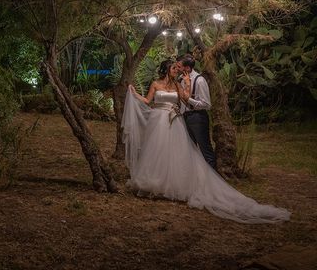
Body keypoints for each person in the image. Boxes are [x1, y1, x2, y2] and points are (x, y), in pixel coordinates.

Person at [123, 59, 290, 224]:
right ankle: (154, 183)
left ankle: (172, 185)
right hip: (158, 121)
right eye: (174, 68)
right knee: (157, 152)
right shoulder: (155, 83)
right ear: (166, 69)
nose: (177, 70)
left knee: (176, 153)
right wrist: (133, 92)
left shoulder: (177, 85)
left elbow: (186, 100)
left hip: (174, 122)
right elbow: (147, 100)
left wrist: (187, 85)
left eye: (177, 68)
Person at [175, 54, 217, 169]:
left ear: (187, 68)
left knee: (205, 149)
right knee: (190, 149)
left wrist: (189, 100)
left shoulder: (199, 80)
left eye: (179, 66)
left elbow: (206, 104)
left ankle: (213, 179)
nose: (177, 68)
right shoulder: (180, 80)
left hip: (198, 117)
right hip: (185, 117)